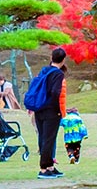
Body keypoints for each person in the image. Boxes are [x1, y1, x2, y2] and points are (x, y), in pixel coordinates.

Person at [27, 47, 68, 180]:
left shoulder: (44, 70)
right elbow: (55, 92)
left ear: (51, 58)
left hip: (39, 108)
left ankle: (49, 166)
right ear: (63, 60)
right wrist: (57, 109)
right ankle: (43, 168)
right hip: (51, 110)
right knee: (49, 139)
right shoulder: (58, 74)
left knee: (43, 137)